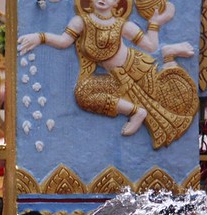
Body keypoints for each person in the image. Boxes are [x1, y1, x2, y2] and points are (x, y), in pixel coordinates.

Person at [17, 0, 196, 149]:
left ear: (118, 2)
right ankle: (136, 112)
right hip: (116, 77)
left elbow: (150, 46)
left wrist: (155, 22)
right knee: (83, 94)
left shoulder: (122, 25)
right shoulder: (81, 22)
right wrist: (39, 37)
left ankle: (168, 52)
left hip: (138, 70)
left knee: (167, 97)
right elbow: (64, 41)